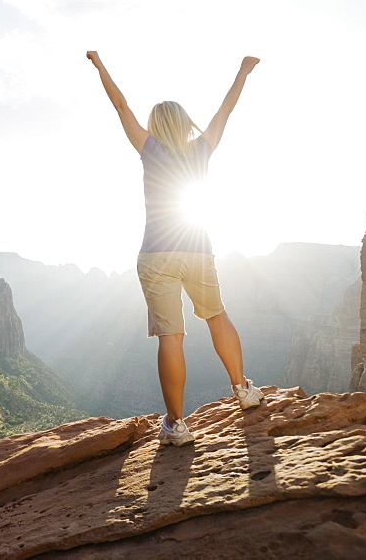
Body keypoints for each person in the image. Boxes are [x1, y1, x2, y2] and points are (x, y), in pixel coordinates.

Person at [85, 50, 264, 446]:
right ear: (185, 124)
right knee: (217, 316)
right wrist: (243, 71)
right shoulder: (202, 148)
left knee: (171, 336)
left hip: (156, 254)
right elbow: (226, 110)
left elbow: (120, 105)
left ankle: (176, 425)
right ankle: (243, 390)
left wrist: (100, 66)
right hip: (198, 249)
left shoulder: (149, 149)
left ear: (156, 125)